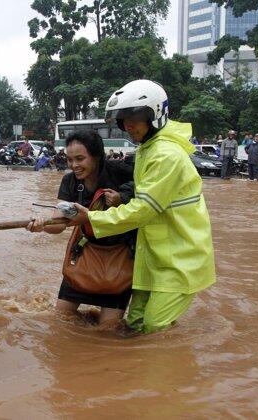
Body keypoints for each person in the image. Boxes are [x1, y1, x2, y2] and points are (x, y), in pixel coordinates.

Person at [69, 79, 216, 335]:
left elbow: (142, 210)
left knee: (154, 327)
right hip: (154, 257)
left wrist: (91, 217)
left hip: (179, 260)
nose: (127, 126)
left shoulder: (165, 155)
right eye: (123, 120)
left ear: (155, 114)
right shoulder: (148, 149)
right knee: (135, 323)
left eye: (133, 118)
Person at [26, 130, 136, 327]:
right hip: (84, 254)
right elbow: (59, 223)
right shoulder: (69, 181)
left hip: (120, 257)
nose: (74, 166)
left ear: (97, 156)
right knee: (60, 322)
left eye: (80, 159)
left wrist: (123, 197)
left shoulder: (121, 172)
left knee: (108, 331)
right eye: (69, 160)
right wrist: (43, 225)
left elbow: (148, 192)